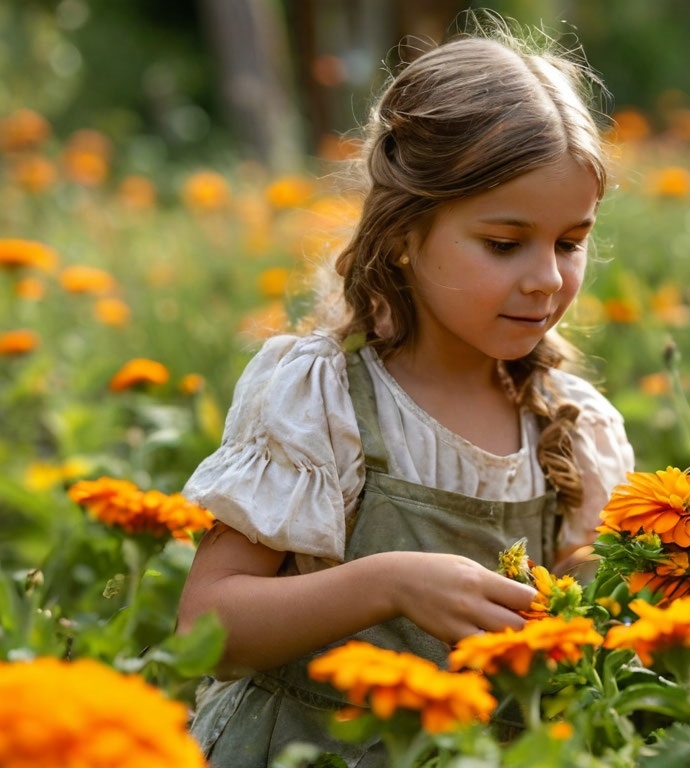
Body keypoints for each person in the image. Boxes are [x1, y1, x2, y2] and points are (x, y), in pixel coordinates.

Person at [175, 22, 634, 767]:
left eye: (569, 242)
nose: (547, 277)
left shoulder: (572, 426)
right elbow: (208, 628)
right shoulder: (324, 399)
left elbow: (592, 620)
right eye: (504, 242)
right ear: (403, 235)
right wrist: (385, 584)